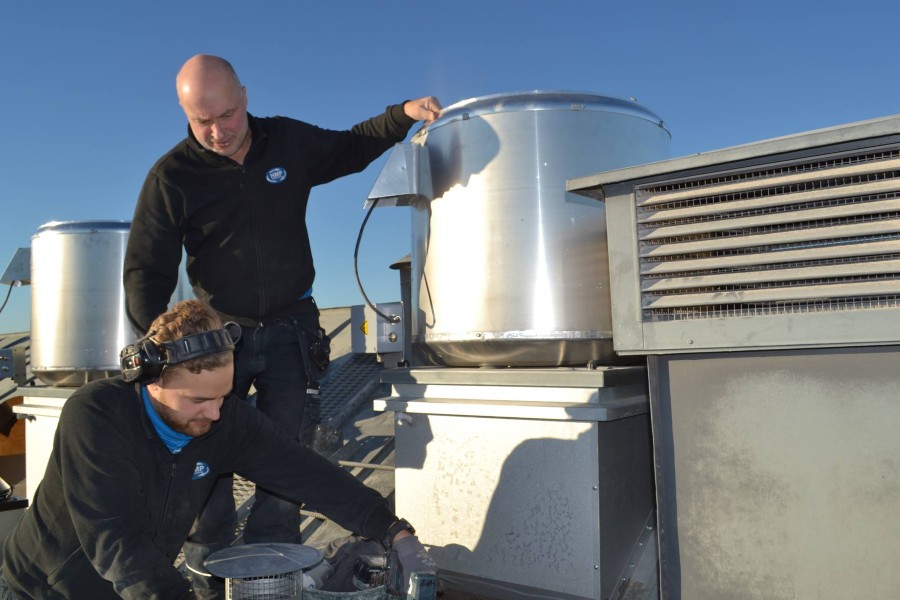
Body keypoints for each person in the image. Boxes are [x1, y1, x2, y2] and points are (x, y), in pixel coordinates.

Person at [122, 54, 441, 596]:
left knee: (286, 461)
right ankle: (207, 582)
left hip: (294, 332)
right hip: (218, 341)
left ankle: (271, 582)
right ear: (185, 114)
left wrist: (401, 114)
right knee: (207, 465)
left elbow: (350, 146)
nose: (218, 132)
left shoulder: (287, 143)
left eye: (227, 115)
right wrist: (162, 355)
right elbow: (146, 272)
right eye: (203, 122)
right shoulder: (172, 176)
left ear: (245, 97)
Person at [0, 300, 434, 600]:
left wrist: (394, 530)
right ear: (151, 379)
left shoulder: (225, 419)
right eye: (197, 400)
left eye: (224, 396)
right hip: (43, 590)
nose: (215, 413)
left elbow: (309, 473)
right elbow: (118, 544)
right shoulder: (96, 415)